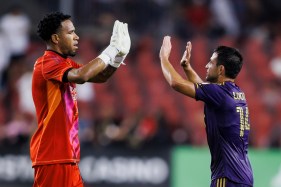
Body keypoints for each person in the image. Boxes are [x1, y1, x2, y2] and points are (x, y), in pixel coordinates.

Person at [30, 12, 130, 187]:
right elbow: (82, 76)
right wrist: (111, 49)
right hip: (53, 157)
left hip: (68, 157)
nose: (77, 37)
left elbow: (99, 77)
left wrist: (117, 58)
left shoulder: (64, 64)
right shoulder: (46, 63)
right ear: (55, 38)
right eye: (70, 33)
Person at [159, 36, 253, 187]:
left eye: (211, 62)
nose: (206, 65)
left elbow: (175, 83)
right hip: (242, 176)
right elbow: (205, 89)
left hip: (227, 177)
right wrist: (187, 67)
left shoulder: (221, 94)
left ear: (221, 69)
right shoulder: (234, 92)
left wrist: (163, 57)